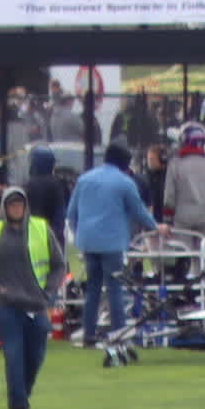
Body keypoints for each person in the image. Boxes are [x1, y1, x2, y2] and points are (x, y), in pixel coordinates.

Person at [0, 187, 65, 409]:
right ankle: (18, 404)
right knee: (14, 355)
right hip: (7, 305)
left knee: (35, 355)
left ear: (26, 206)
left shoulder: (40, 228)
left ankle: (23, 391)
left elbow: (59, 265)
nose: (16, 208)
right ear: (5, 208)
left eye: (20, 204)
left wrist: (50, 292)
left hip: (37, 304)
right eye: (12, 205)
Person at [66, 143, 158, 350]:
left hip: (87, 242)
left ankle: (89, 333)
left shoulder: (84, 179)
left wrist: (80, 232)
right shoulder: (125, 182)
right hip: (113, 242)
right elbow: (139, 211)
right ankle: (119, 332)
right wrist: (156, 227)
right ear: (125, 164)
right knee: (116, 287)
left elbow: (71, 213)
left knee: (93, 289)